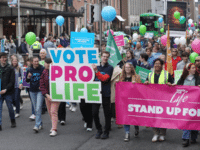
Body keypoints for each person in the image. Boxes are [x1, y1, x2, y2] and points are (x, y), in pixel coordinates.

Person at [144, 58, 174, 142]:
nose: (156, 65)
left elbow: (173, 84)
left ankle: (162, 134)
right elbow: (147, 82)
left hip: (163, 99)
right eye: (155, 64)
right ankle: (155, 133)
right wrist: (146, 82)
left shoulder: (167, 74)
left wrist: (170, 84)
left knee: (163, 117)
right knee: (153, 116)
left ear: (162, 65)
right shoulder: (150, 74)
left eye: (158, 64)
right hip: (152, 99)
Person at [177, 63, 200, 147]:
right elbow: (177, 87)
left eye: (195, 68)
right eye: (193, 68)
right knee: (187, 120)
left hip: (195, 103)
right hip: (185, 103)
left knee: (194, 119)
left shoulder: (198, 78)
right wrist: (172, 86)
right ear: (188, 69)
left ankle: (194, 136)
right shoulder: (182, 78)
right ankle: (185, 138)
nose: (195, 69)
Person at [91, 51, 113, 139]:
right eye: (104, 56)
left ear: (108, 58)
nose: (105, 58)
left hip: (105, 93)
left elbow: (104, 79)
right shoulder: (96, 66)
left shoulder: (110, 68)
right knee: (94, 112)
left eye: (107, 57)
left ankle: (106, 131)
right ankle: (99, 129)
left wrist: (96, 71)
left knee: (107, 113)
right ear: (101, 57)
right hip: (95, 93)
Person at [118, 63, 141, 142]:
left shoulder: (136, 77)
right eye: (126, 67)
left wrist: (136, 85)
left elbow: (141, 89)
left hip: (134, 100)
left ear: (132, 68)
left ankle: (136, 127)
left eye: (129, 67)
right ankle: (127, 133)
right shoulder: (121, 77)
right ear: (124, 69)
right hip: (124, 101)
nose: (127, 69)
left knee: (134, 117)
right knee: (126, 117)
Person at [40, 58, 60, 136]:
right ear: (44, 64)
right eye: (46, 63)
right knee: (50, 112)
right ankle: (53, 125)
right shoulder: (44, 72)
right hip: (47, 96)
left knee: (53, 111)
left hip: (56, 95)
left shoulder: (57, 71)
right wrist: (46, 94)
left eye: (49, 63)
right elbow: (41, 85)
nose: (48, 64)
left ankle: (54, 129)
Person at [26, 57, 44, 133]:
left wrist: (42, 85)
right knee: (36, 107)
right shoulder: (29, 70)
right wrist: (28, 77)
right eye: (35, 61)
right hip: (32, 91)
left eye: (37, 61)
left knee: (38, 107)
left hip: (40, 91)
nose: (36, 63)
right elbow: (27, 81)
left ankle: (37, 125)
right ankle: (40, 123)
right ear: (32, 62)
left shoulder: (42, 69)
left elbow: (44, 78)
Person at [0, 52, 16, 130]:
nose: (4, 59)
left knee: (10, 107)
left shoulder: (10, 68)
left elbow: (12, 82)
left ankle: (13, 120)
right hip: (0, 92)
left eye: (5, 57)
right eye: (3, 57)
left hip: (7, 92)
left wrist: (5, 89)